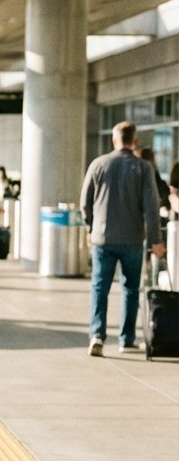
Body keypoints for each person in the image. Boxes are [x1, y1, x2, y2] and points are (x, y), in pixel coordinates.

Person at [80, 121, 165, 356]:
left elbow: (84, 204)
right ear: (135, 141)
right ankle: (126, 339)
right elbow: (151, 207)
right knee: (130, 288)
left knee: (100, 287)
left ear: (113, 140)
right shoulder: (143, 168)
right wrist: (156, 240)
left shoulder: (98, 164)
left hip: (102, 239)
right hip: (132, 239)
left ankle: (97, 335)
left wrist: (91, 226)